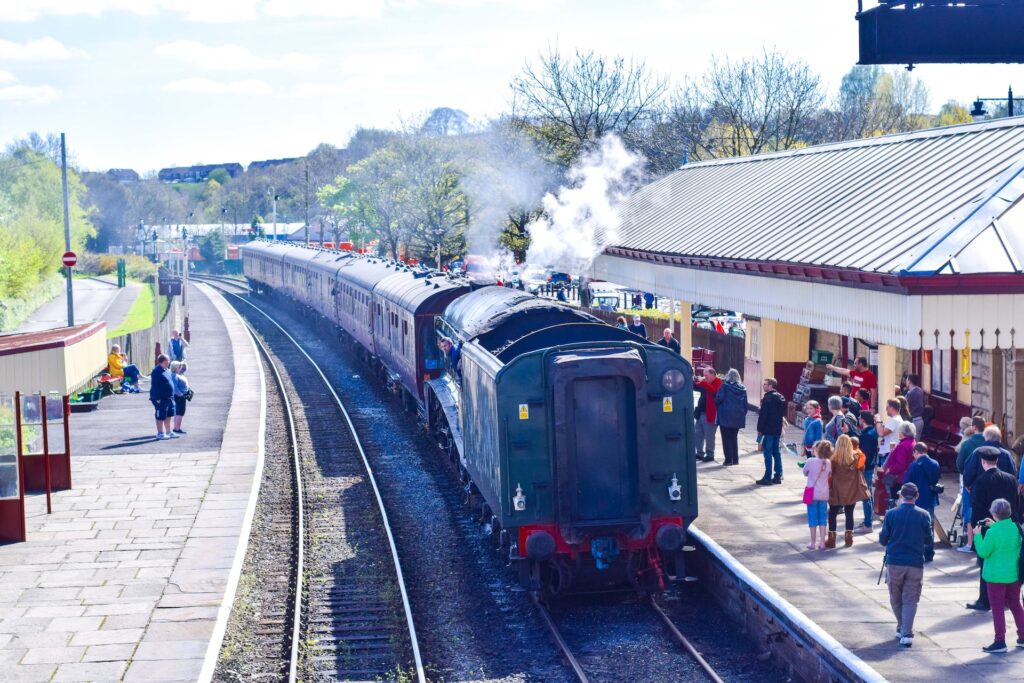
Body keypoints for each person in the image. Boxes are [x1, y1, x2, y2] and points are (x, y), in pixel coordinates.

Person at [968, 446, 1021, 612]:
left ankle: (985, 600)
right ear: (996, 461)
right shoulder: (1011, 479)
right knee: (1010, 562)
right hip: (1009, 527)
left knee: (987, 564)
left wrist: (976, 528)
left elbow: (976, 507)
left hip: (988, 528)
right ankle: (1008, 599)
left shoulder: (981, 481)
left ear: (983, 462)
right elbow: (1017, 504)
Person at [879, 483, 932, 647]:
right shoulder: (924, 515)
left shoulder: (891, 514)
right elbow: (928, 540)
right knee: (910, 600)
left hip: (894, 562)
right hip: (915, 563)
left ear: (901, 496)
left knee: (896, 598)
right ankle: (906, 632)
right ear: (916, 497)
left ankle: (902, 627)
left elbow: (883, 540)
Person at [974, 498, 1024, 653]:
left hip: (995, 576)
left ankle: (1000, 641)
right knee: (1016, 605)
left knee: (997, 608)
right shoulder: (1016, 527)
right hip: (1013, 574)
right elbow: (1005, 536)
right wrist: (994, 526)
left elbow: (983, 551)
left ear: (994, 514)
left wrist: (977, 535)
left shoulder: (992, 532)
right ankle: (1022, 636)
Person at [826, 435, 870, 548]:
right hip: (851, 489)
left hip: (836, 489)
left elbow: (830, 473)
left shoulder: (833, 458)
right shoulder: (856, 457)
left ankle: (831, 539)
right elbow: (862, 469)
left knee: (832, 513)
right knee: (849, 513)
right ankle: (848, 537)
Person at [957, 416, 989, 552]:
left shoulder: (968, 444)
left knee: (969, 511)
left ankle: (970, 544)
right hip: (988, 481)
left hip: (971, 484)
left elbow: (959, 465)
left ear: (974, 427)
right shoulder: (989, 442)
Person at [905, 442, 940, 562]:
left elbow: (908, 483)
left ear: (916, 452)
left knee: (916, 526)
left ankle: (918, 551)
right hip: (930, 499)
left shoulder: (914, 466)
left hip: (917, 500)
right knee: (929, 526)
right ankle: (929, 552)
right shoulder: (935, 463)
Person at [756, 378, 786, 485]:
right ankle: (778, 475)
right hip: (777, 429)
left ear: (770, 386)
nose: (763, 386)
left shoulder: (767, 398)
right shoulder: (781, 397)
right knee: (776, 452)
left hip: (768, 430)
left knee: (767, 453)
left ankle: (767, 477)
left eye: (765, 384)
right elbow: (783, 414)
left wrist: (759, 429)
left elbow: (763, 416)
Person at [715, 368, 747, 467]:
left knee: (726, 438)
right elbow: (745, 405)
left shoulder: (724, 386)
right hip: (737, 417)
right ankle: (735, 459)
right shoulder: (742, 388)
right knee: (734, 438)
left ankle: (728, 460)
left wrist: (714, 399)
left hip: (725, 416)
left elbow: (718, 399)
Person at [804, 440, 833, 550]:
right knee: (822, 518)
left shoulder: (810, 461)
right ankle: (822, 542)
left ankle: (812, 542)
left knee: (812, 517)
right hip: (824, 493)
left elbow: (805, 472)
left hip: (812, 494)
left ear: (817, 449)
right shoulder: (829, 463)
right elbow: (829, 474)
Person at [855, 412, 880, 533]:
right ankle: (868, 519)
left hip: (866, 468)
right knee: (868, 494)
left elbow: (865, 454)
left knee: (866, 495)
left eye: (860, 418)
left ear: (863, 420)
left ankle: (868, 524)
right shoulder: (872, 432)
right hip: (869, 467)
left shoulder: (866, 435)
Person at [882, 421, 917, 503]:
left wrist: (890, 469)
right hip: (905, 476)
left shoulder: (903, 445)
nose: (898, 433)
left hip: (898, 478)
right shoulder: (912, 442)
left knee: (894, 500)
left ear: (903, 433)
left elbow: (900, 465)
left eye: (900, 431)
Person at [694, 367, 721, 463]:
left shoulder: (718, 382)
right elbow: (696, 386)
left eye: (706, 375)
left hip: (710, 414)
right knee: (698, 434)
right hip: (700, 413)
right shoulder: (706, 383)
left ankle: (710, 454)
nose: (704, 377)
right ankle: (699, 453)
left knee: (709, 435)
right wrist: (693, 379)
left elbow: (714, 390)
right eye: (704, 375)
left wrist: (703, 382)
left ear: (713, 374)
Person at [149, 354, 177, 440]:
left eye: (168, 361)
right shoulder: (156, 371)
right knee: (160, 416)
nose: (168, 363)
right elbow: (155, 385)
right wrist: (157, 398)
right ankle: (160, 433)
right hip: (160, 398)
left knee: (168, 415)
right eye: (166, 361)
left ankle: (169, 432)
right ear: (161, 362)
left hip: (169, 398)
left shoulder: (166, 370)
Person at [170, 361, 190, 435]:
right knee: (180, 412)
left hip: (180, 396)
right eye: (179, 367)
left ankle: (176, 428)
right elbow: (174, 388)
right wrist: (181, 394)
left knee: (179, 412)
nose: (181, 368)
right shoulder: (174, 375)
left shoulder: (175, 375)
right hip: (179, 397)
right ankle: (176, 429)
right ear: (176, 368)